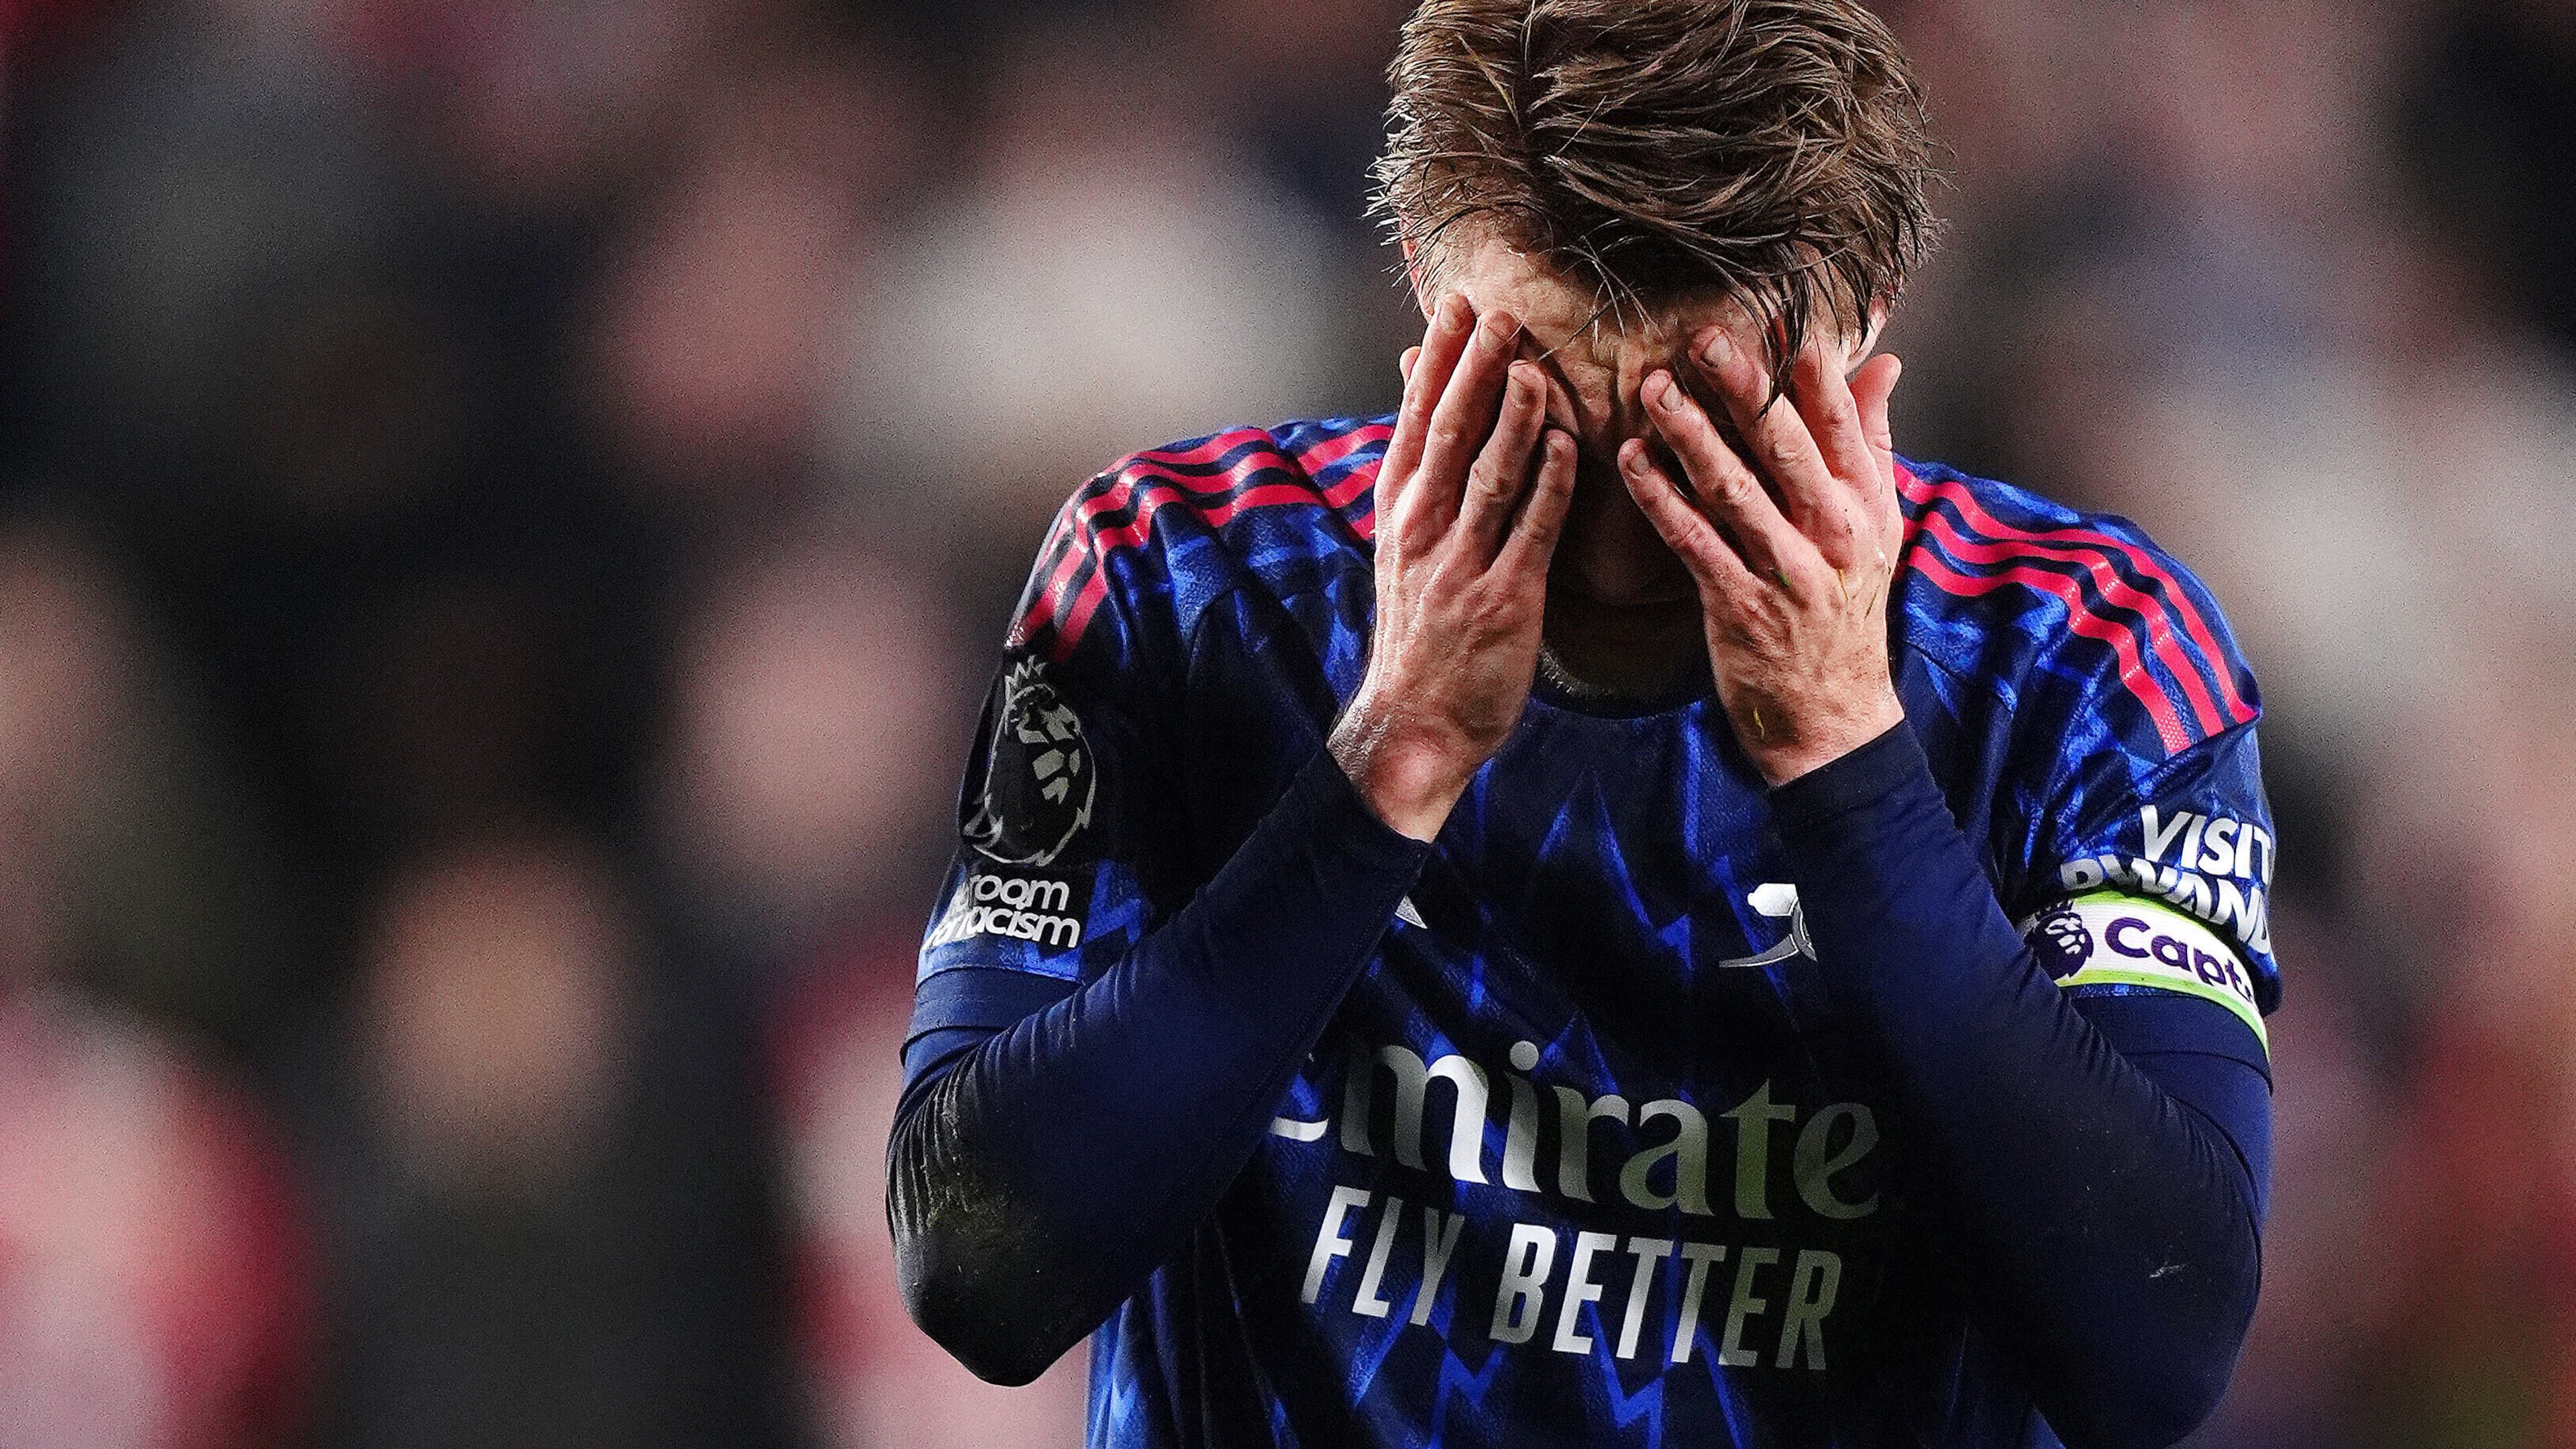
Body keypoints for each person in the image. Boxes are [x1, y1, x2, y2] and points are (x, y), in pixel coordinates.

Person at [886, 2, 2276, 1445]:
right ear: (1421, 271)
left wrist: (1852, 764)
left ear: (1871, 306)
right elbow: (977, 1269)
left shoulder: (2082, 654)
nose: (1614, 555)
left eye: (1705, 430)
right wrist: (1389, 761)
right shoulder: (1184, 583)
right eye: (1538, 410)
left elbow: (2153, 1357)